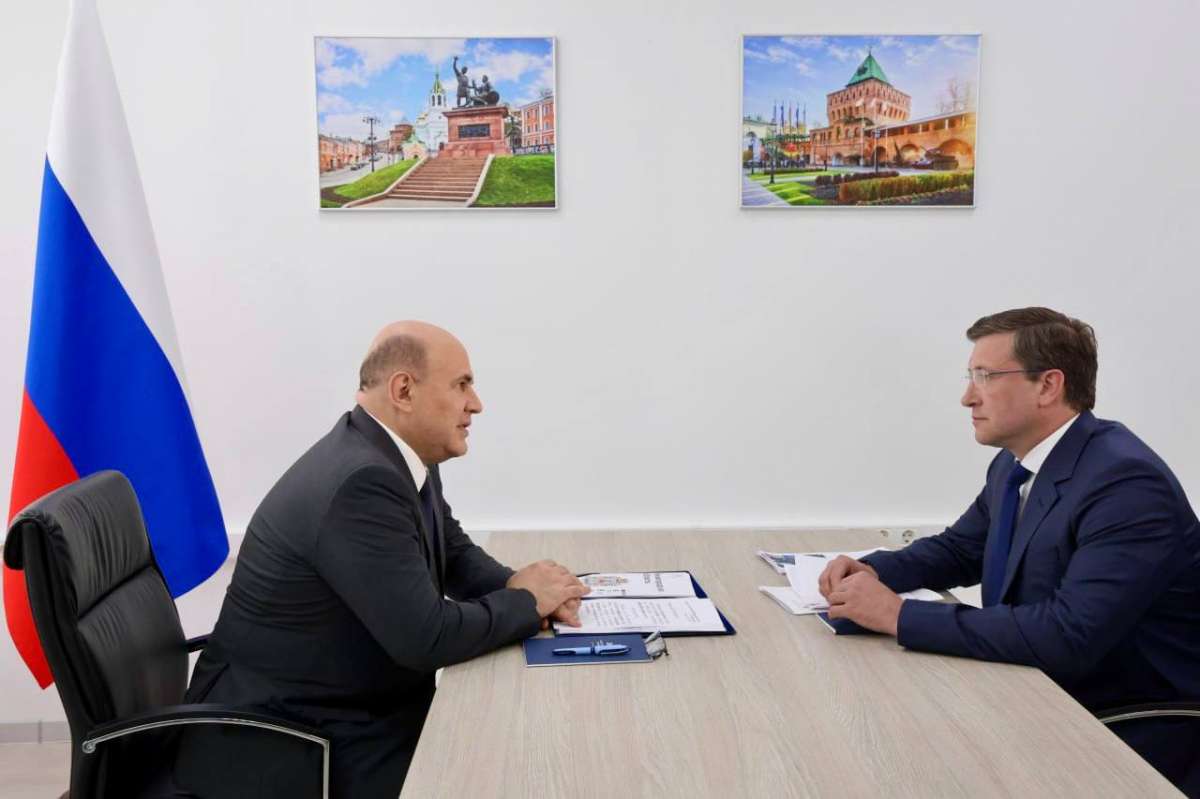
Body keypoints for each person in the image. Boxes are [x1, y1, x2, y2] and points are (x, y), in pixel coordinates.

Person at [178, 321, 589, 798]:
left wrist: (526, 588)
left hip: (345, 709)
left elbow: (453, 554)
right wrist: (526, 602)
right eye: (461, 385)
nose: (476, 404)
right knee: (516, 768)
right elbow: (427, 637)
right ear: (404, 390)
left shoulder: (394, 456)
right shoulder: (360, 481)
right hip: (288, 741)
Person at [818, 307, 1200, 795]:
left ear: (1048, 386)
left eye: (986, 376)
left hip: (1128, 726)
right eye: (970, 376)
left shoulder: (1125, 483)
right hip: (1035, 694)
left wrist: (897, 615)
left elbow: (1068, 635)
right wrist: (871, 571)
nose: (967, 397)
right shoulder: (1016, 464)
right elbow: (960, 548)